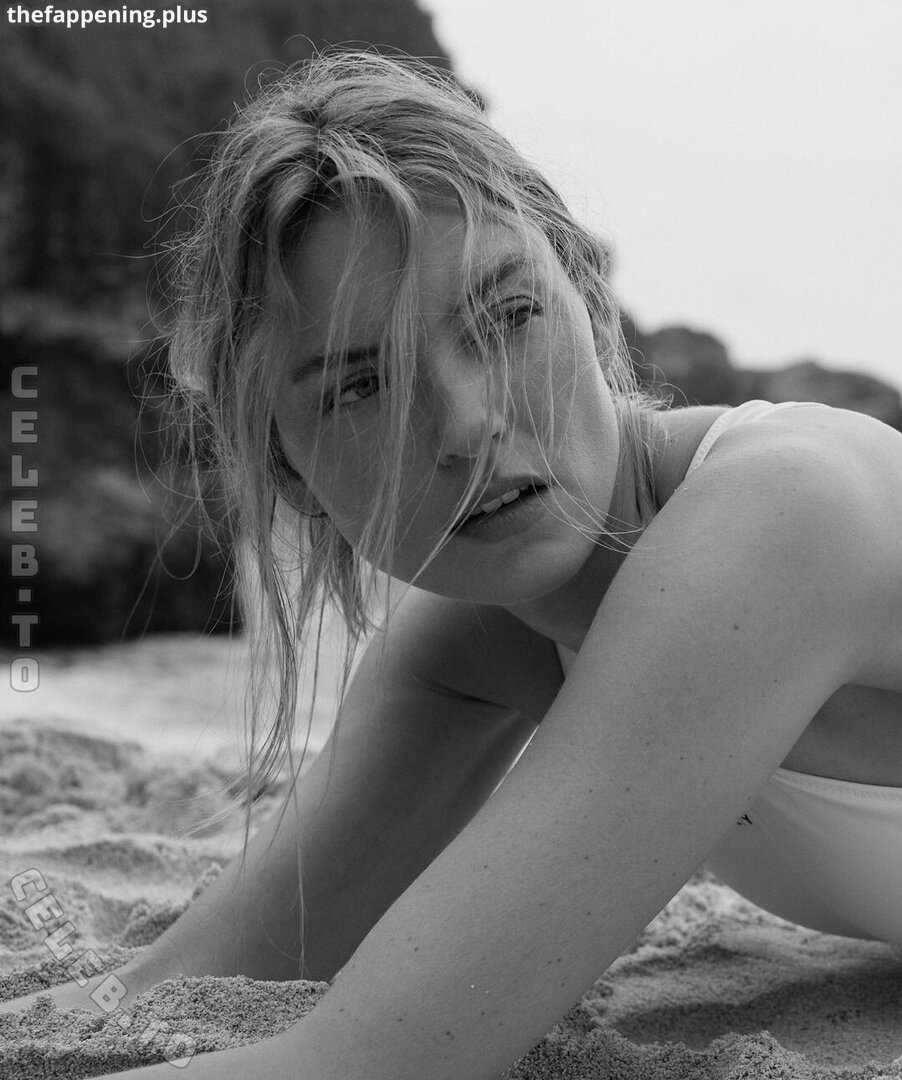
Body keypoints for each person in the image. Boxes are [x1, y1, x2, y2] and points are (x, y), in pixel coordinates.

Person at [3, 51, 902, 1080]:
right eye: (359, 386)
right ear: (293, 475)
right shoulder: (480, 635)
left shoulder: (785, 515)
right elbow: (169, 987)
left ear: (583, 293)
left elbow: (365, 1068)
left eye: (506, 318)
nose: (467, 424)